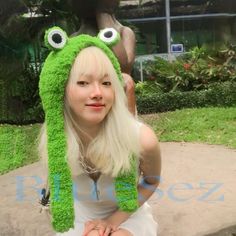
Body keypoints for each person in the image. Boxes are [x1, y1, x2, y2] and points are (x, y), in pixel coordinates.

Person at [39, 26, 161, 236]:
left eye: (106, 83)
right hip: (80, 218)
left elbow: (151, 181)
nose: (97, 93)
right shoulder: (55, 139)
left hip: (128, 214)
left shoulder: (142, 138)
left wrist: (113, 222)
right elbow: (58, 187)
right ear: (61, 89)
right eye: (83, 82)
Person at [69, 0, 137, 115]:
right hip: (88, 99)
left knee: (127, 80)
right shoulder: (74, 38)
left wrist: (103, 14)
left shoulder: (124, 32)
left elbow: (123, 67)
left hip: (116, 100)